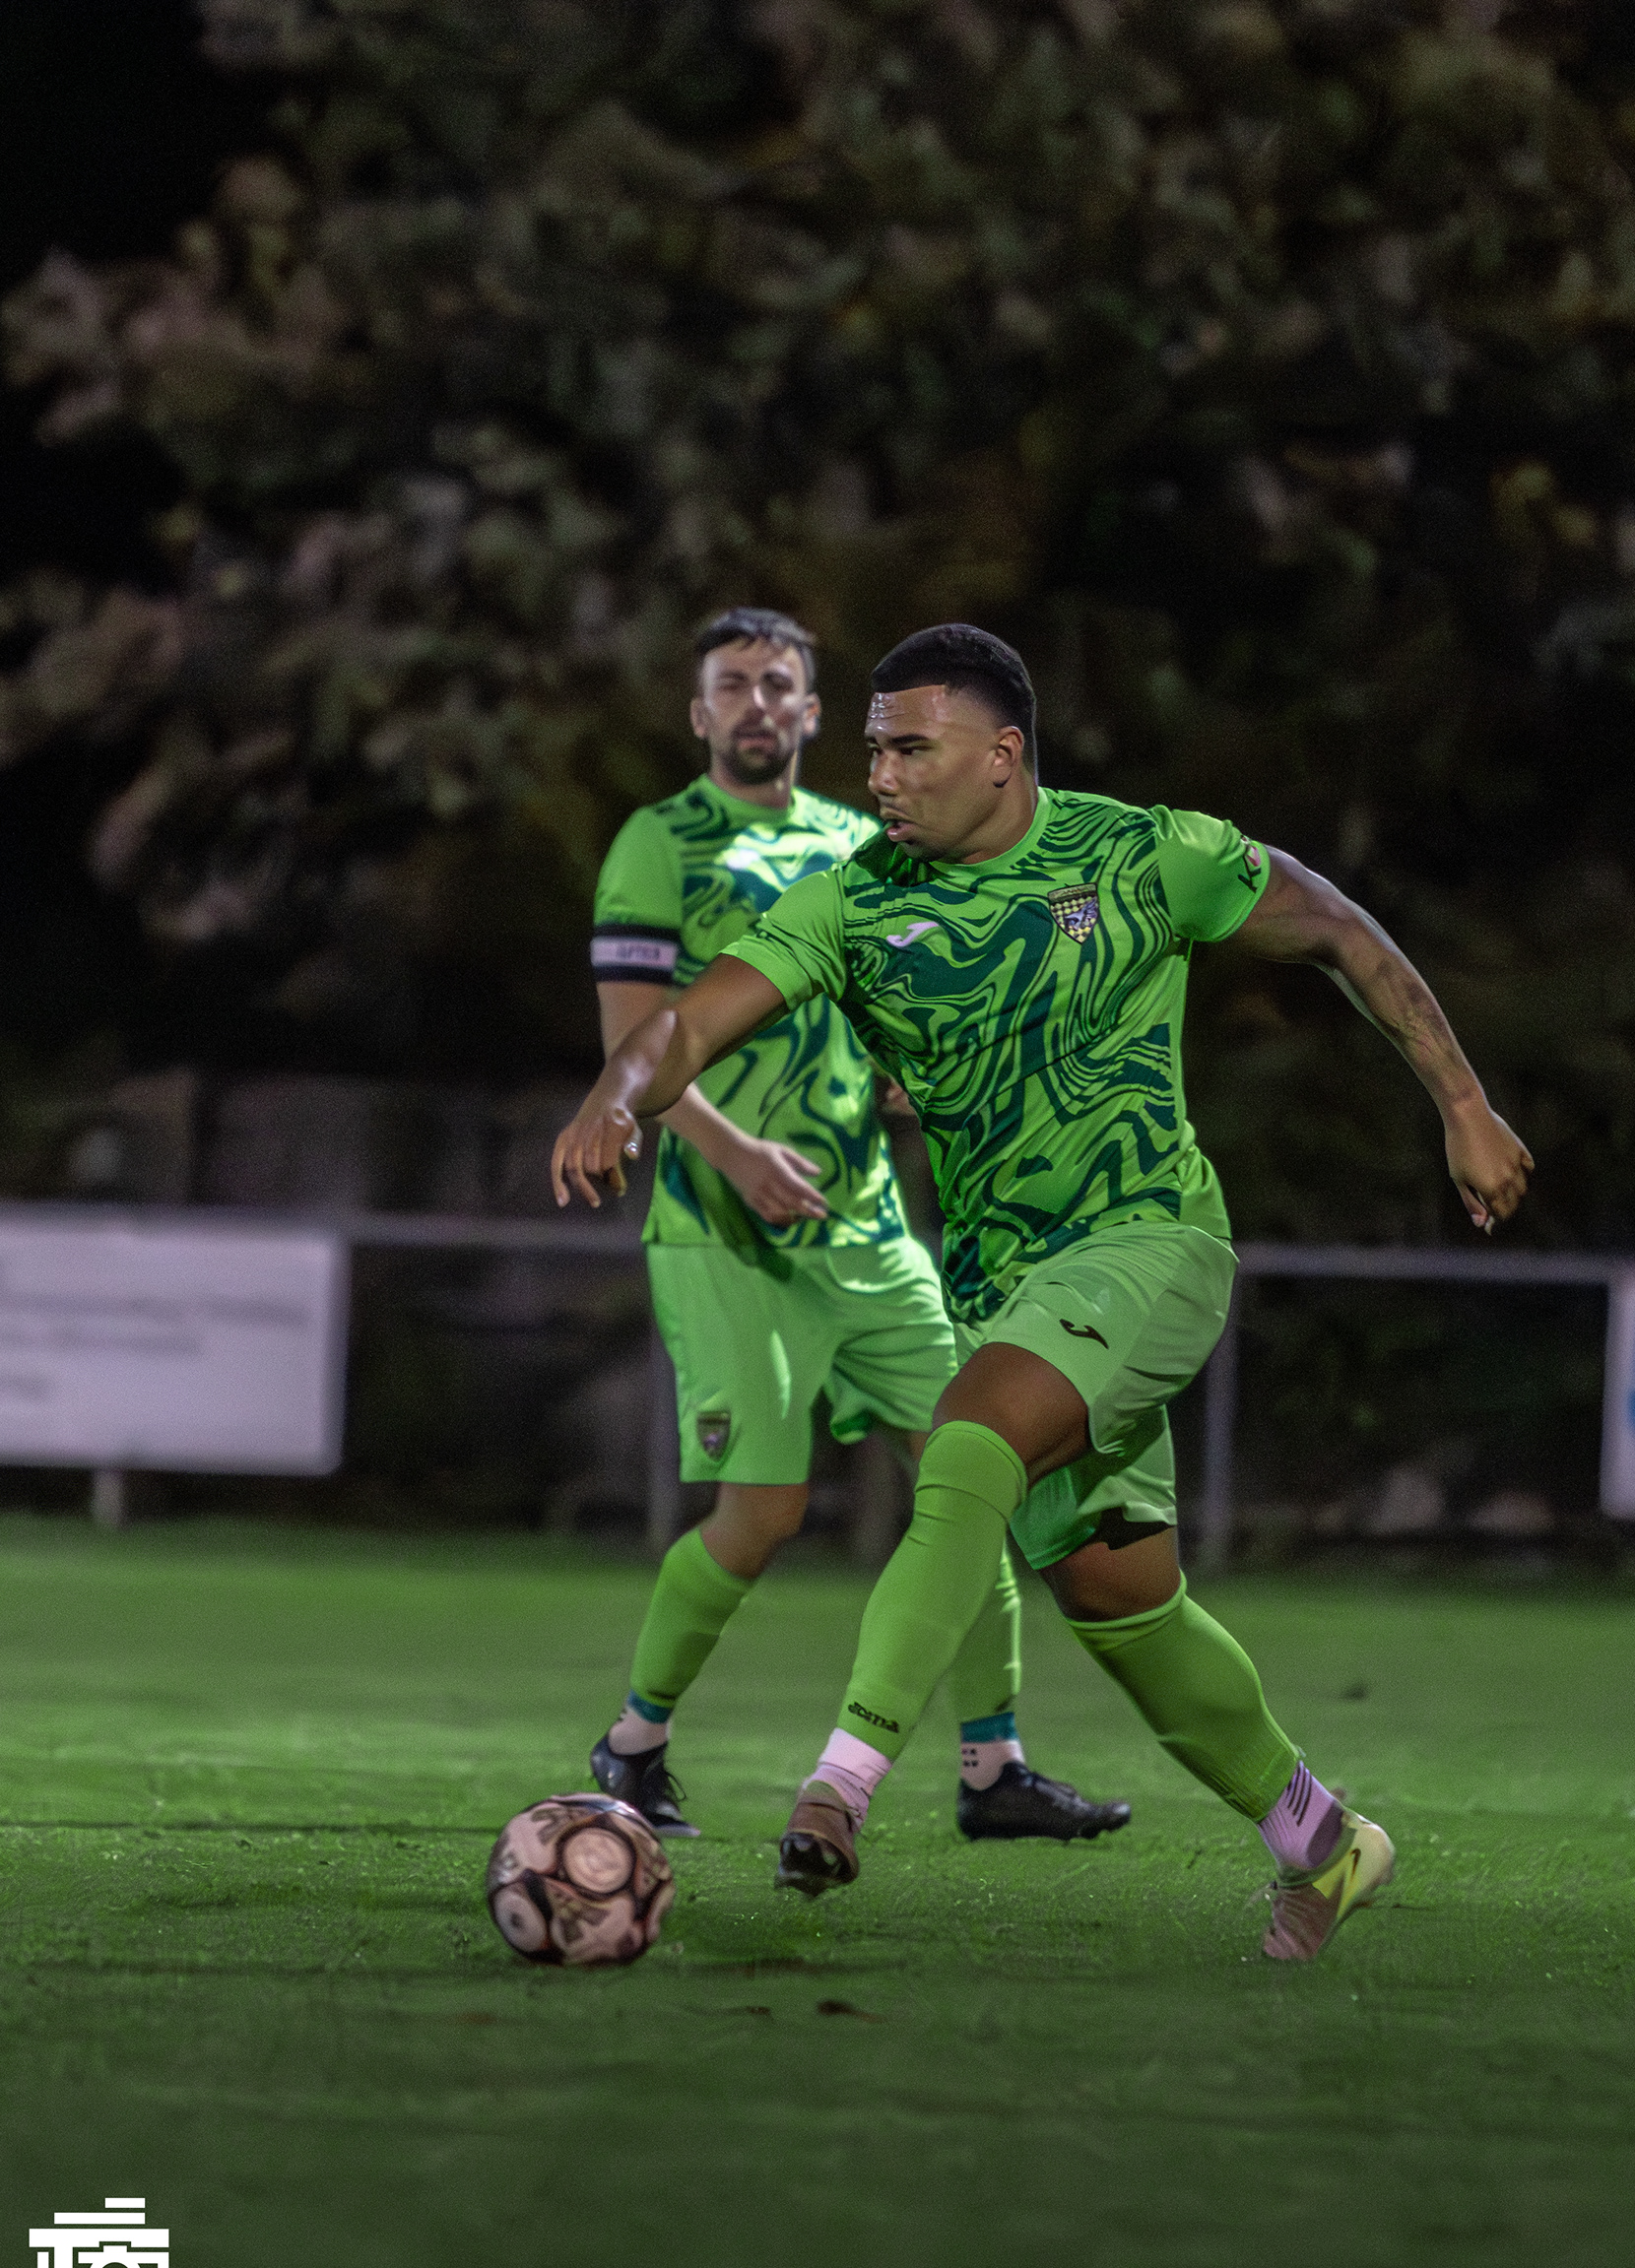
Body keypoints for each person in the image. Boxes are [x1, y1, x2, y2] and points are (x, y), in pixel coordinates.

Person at [556, 622, 1533, 1962]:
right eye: (874, 751)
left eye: (911, 749)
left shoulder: (1141, 854)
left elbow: (1339, 932)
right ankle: (1326, 1841)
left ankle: (842, 1781)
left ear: (1002, 755)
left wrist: (1465, 1105)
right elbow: (688, 1022)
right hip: (1004, 1288)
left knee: (967, 1443)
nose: (881, 777)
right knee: (1123, 1604)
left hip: (1151, 1244)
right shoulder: (853, 902)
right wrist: (618, 1093)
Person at [583, 606, 1129, 1847]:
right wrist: (738, 1152)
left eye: (779, 683)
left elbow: (905, 985)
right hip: (724, 1235)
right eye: (734, 684)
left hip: (869, 1233)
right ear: (700, 713)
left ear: (815, 711)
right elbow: (634, 1043)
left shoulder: (858, 843)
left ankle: (993, 1769)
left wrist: (908, 1069)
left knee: (977, 1476)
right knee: (762, 1515)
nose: (758, 703)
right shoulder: (659, 845)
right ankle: (634, 1745)